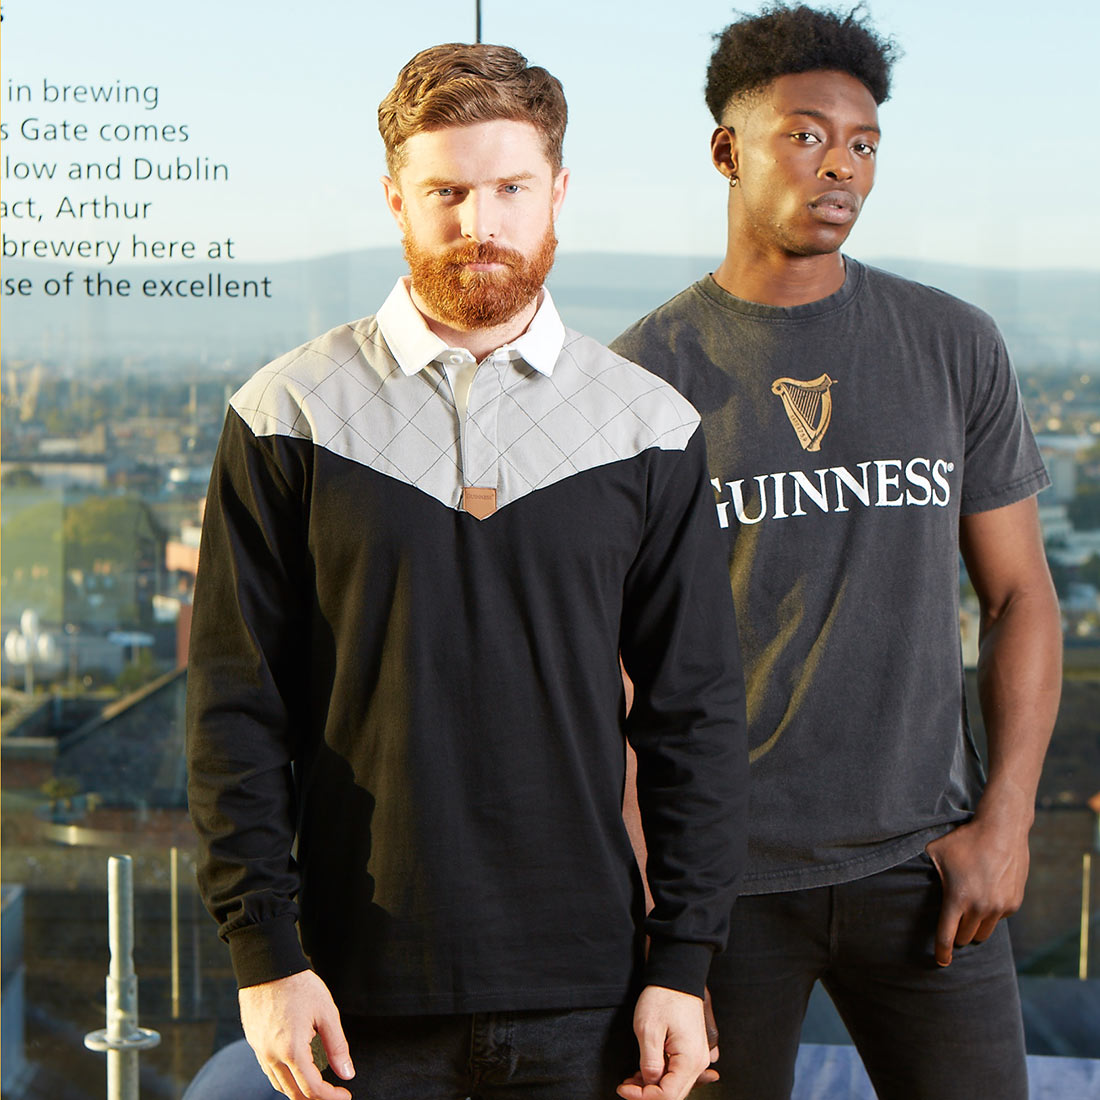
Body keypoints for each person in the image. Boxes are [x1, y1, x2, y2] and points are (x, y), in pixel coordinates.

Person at [186, 42, 748, 1100]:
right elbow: (233, 707)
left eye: (509, 188)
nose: (477, 221)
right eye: (444, 190)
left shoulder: (646, 427)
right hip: (348, 995)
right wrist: (262, 952)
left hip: (590, 990)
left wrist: (684, 960)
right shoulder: (285, 413)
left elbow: (695, 715)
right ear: (395, 197)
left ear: (557, 195)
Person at [611, 6, 1062, 1099]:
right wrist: (651, 918)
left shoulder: (950, 342)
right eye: (804, 135)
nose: (840, 168)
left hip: (926, 869)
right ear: (724, 150)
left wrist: (1002, 824)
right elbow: (609, 677)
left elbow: (1018, 596)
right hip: (717, 893)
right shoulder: (638, 380)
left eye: (861, 144)